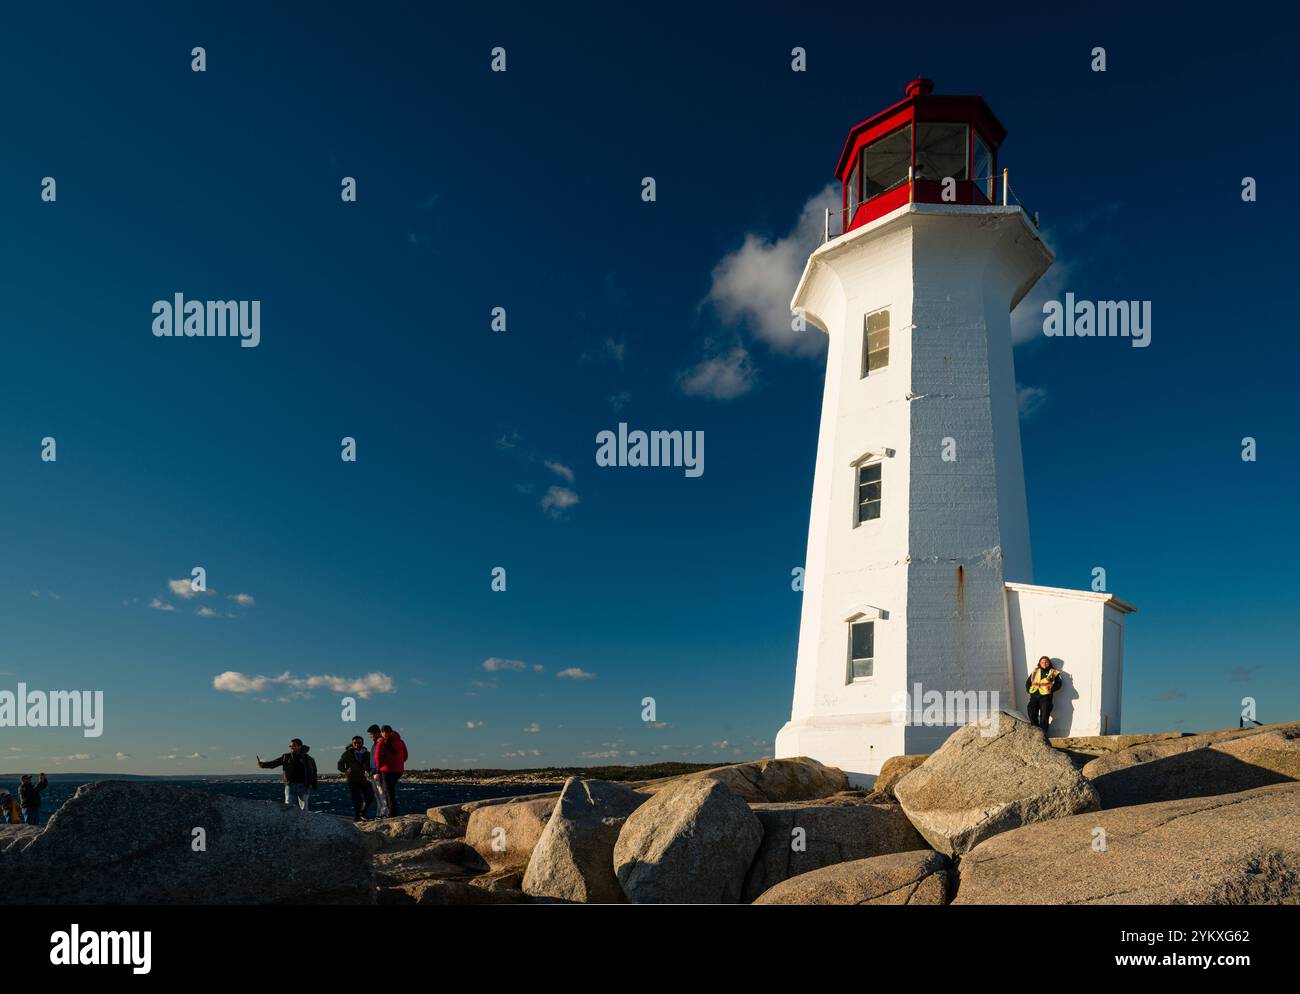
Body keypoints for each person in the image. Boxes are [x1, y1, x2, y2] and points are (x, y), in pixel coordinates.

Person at [257, 739, 318, 810]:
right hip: (290, 786)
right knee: (289, 807)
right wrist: (263, 765)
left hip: (304, 787)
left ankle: (303, 821)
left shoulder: (309, 759)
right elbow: (275, 763)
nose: (292, 747)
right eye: (290, 746)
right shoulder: (286, 757)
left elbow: (314, 772)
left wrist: (314, 785)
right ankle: (291, 821)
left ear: (300, 746)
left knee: (304, 809)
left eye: (294, 745)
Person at [337, 735, 376, 821]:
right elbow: (339, 765)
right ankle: (357, 816)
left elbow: (371, 765)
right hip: (353, 779)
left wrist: (370, 771)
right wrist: (346, 770)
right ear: (352, 744)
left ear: (363, 743)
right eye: (355, 743)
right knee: (357, 799)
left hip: (365, 779)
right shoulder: (347, 753)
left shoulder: (367, 754)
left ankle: (363, 812)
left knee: (370, 797)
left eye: (359, 743)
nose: (357, 744)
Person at [374, 724, 408, 817]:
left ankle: (392, 813)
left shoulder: (381, 742)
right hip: (398, 771)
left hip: (387, 770)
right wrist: (398, 763)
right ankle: (393, 811)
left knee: (388, 792)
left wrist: (378, 770)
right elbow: (405, 756)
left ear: (381, 733)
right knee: (390, 791)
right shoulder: (401, 742)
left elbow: (377, 758)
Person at [1026, 656, 1062, 731]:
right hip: (1034, 696)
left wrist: (1050, 690)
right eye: (1042, 662)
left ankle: (1043, 734)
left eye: (1046, 662)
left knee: (1044, 716)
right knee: (1031, 712)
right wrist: (1029, 690)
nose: (1044, 663)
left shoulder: (1053, 672)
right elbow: (1028, 682)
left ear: (1049, 663)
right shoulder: (1035, 672)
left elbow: (1059, 684)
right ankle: (1036, 731)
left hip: (1046, 697)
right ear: (1039, 663)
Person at [367, 725, 390, 818]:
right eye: (370, 734)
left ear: (377, 733)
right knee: (377, 795)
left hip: (378, 772)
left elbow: (380, 759)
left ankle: (384, 813)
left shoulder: (381, 743)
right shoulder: (375, 744)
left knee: (382, 794)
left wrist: (378, 771)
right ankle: (379, 813)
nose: (371, 736)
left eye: (372, 734)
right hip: (373, 772)